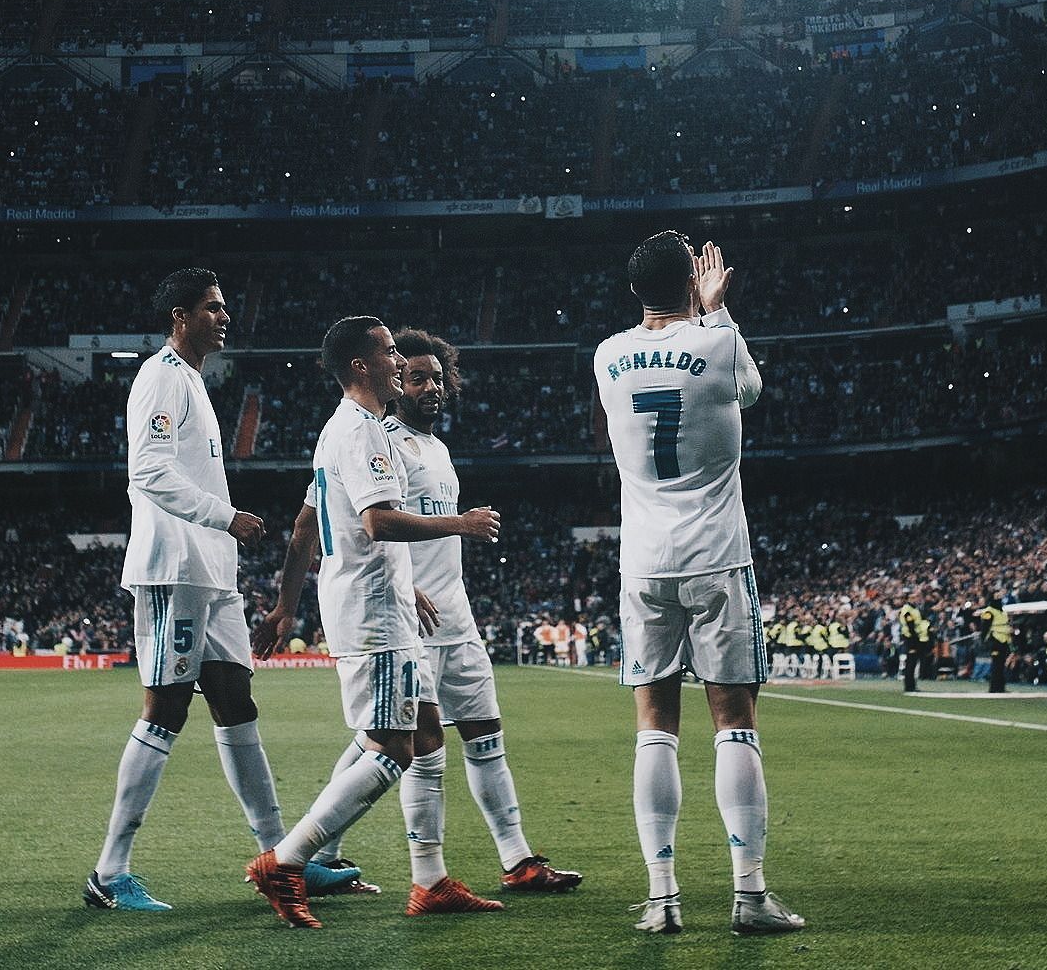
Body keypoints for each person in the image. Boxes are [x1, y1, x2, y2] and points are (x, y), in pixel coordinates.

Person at [254, 327, 581, 896]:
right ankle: (336, 860)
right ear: (393, 382)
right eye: (415, 376)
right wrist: (288, 604)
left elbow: (317, 522)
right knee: (406, 744)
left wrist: (286, 606)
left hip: (452, 612)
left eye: (437, 377)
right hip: (404, 616)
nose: (431, 387)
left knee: (478, 733)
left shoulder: (435, 448)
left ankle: (517, 860)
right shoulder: (377, 439)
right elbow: (322, 522)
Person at [84, 268, 357, 912]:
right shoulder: (159, 376)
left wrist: (223, 538)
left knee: (236, 699)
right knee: (166, 708)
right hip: (173, 568)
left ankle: (282, 858)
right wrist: (223, 516)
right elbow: (147, 471)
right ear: (180, 315)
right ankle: (110, 871)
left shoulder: (194, 382)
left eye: (225, 307)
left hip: (211, 573)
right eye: (212, 307)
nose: (224, 317)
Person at [593, 233, 804, 937]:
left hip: (644, 563)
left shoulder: (607, 355)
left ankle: (663, 898)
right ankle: (748, 896)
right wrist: (715, 312)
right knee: (734, 725)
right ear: (694, 280)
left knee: (654, 729)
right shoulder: (719, 344)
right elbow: (749, 389)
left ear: (632, 292)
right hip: (717, 556)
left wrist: (691, 307)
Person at [978, 596, 1012, 693]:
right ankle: (993, 688)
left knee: (1001, 665)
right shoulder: (989, 611)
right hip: (995, 639)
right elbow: (985, 626)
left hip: (1004, 640)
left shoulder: (1002, 611)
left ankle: (1001, 687)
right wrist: (983, 639)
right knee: (996, 665)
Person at [897, 595, 927, 693]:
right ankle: (909, 685)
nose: (917, 600)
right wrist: (914, 637)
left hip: (915, 637)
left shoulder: (913, 609)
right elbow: (910, 624)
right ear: (909, 599)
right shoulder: (907, 609)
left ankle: (912, 685)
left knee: (913, 662)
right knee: (911, 662)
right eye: (914, 598)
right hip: (910, 637)